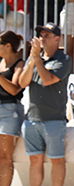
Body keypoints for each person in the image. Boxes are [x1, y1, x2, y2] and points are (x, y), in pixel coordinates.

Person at [18, 22, 72, 186]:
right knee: (35, 160)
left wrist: (36, 59)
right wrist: (33, 60)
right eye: (41, 35)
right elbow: (22, 82)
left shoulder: (64, 59)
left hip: (54, 119)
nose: (42, 39)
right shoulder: (34, 58)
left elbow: (48, 80)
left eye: (47, 36)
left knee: (57, 160)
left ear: (57, 39)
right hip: (32, 119)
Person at [0, 30, 25, 186]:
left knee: (5, 157)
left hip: (10, 111)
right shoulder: (0, 62)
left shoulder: (20, 64)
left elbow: (14, 89)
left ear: (8, 46)